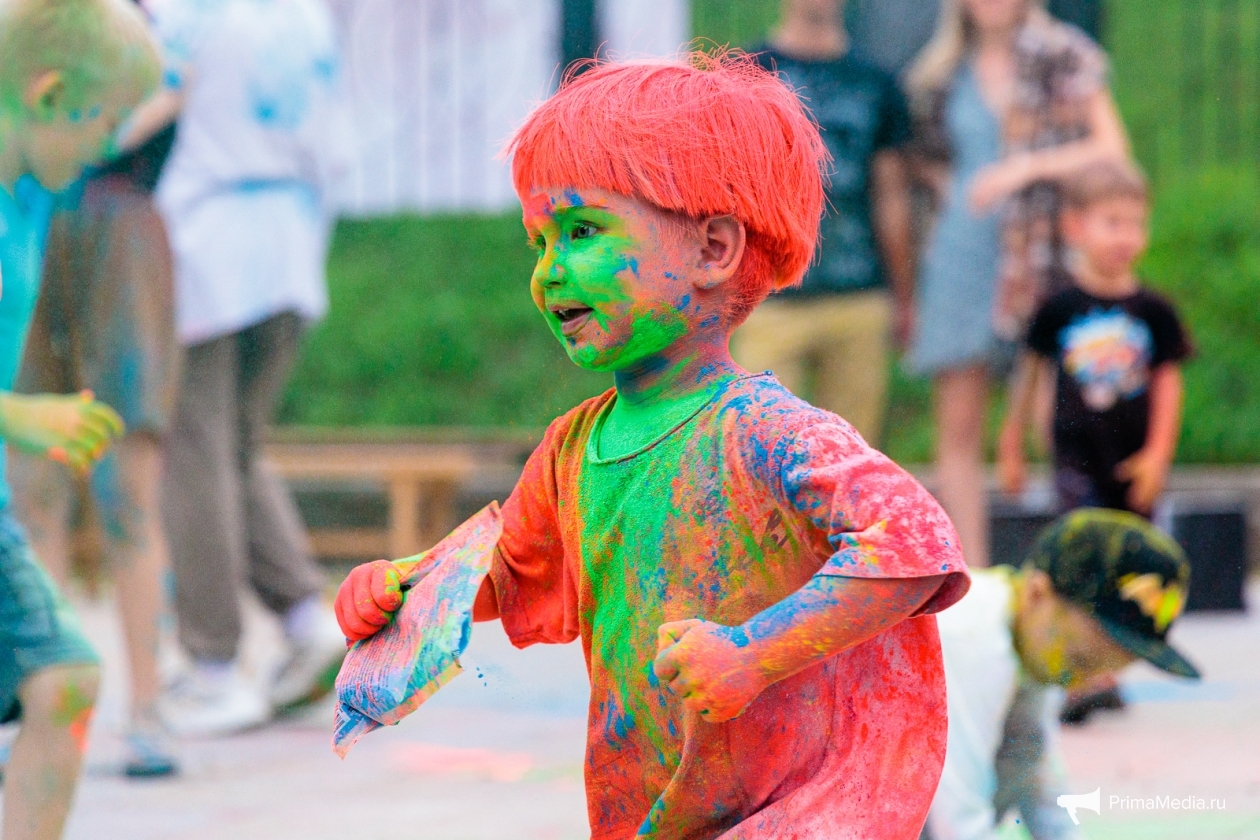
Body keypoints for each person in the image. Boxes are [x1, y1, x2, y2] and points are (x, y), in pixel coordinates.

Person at [337, 53, 971, 839]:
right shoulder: (575, 445)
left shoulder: (767, 433)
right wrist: (409, 589)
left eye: (581, 230)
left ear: (712, 251)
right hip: (651, 809)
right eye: (539, 242)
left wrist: (751, 652)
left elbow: (913, 544)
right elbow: (516, 572)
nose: (548, 273)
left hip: (786, 810)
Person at [147, 0, 353, 736]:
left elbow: (135, 111)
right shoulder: (306, 14)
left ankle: (212, 666)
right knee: (235, 446)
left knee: (193, 452)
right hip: (292, 238)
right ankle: (303, 616)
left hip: (207, 240)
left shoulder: (186, 16)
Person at [0, 0, 160, 834]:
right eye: (103, 122)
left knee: (64, 683)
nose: (108, 147)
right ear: (48, 93)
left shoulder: (29, 197)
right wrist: (21, 418)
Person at [905, 0, 1129, 568]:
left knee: (1057, 422)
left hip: (1040, 258)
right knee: (958, 428)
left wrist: (1024, 169)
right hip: (961, 253)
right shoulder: (942, 70)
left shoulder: (1063, 55)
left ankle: (1071, 572)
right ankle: (972, 578)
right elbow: (925, 162)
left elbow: (1112, 149)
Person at [925, 507, 1199, 840]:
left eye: (1110, 672)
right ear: (1037, 594)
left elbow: (1039, 788)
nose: (1086, 684)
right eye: (1080, 661)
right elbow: (957, 823)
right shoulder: (969, 636)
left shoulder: (1027, 644)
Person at [731, 0, 915, 445]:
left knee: (851, 462)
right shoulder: (742, 76)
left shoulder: (878, 83)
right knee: (758, 456)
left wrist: (905, 297)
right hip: (767, 302)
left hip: (858, 299)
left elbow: (891, 198)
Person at [998, 161, 1190, 519]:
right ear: (1075, 227)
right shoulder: (1058, 306)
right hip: (1074, 459)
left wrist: (1158, 454)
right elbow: (1030, 373)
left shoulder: (1154, 310)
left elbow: (1167, 381)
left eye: (1136, 224)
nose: (1126, 236)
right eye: (1113, 223)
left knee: (1133, 555)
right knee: (1082, 544)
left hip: (1133, 459)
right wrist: (1012, 445)